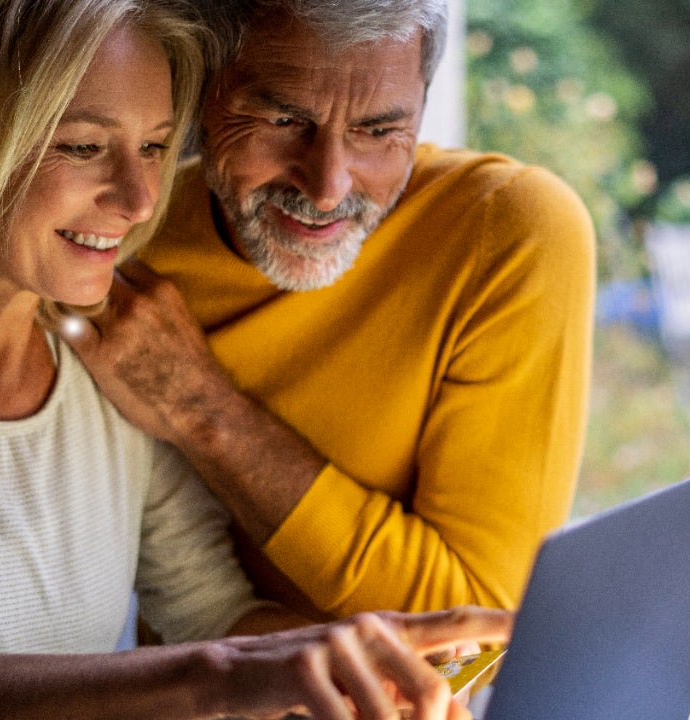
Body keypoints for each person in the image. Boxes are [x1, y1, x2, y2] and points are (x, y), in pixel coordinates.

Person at [0, 1, 509, 718]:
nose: (139, 197)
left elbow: (211, 609)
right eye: (85, 146)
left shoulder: (105, 357)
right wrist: (216, 677)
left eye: (155, 148)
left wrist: (384, 682)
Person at [64, 0, 597, 621]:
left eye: (377, 130)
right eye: (284, 118)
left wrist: (203, 410)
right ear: (200, 91)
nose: (327, 186)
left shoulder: (506, 231)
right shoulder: (116, 242)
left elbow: (479, 638)